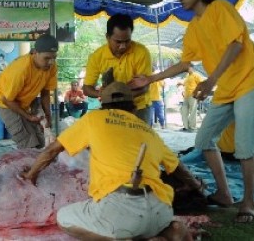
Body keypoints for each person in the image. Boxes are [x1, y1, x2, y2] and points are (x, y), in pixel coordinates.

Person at [129, 0, 254, 222]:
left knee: (244, 146)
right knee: (204, 139)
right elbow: (184, 63)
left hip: (248, 82)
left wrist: (211, 80)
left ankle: (248, 204)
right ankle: (224, 194)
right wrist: (150, 79)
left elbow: (236, 45)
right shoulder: (194, 26)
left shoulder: (220, 8)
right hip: (225, 89)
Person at [21, 82, 200, 240]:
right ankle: (172, 231)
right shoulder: (148, 130)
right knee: (148, 223)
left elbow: (52, 150)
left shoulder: (94, 119)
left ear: (102, 105)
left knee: (64, 219)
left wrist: (31, 174)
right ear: (133, 108)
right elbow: (178, 168)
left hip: (122, 210)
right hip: (161, 210)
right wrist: (197, 187)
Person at [82, 13, 152, 124]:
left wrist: (115, 97)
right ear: (107, 37)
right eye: (118, 42)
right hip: (111, 110)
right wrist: (103, 94)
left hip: (139, 108)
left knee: (141, 141)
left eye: (127, 41)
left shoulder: (141, 52)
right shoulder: (97, 56)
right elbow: (86, 88)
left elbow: (144, 88)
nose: (123, 46)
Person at [0, 34, 58, 149]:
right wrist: (28, 117)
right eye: (47, 58)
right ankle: (29, 165)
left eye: (54, 58)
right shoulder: (21, 70)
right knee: (28, 142)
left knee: (40, 140)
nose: (51, 62)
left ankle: (38, 163)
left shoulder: (51, 66)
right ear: (35, 52)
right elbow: (7, 100)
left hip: (25, 100)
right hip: (5, 102)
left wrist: (48, 116)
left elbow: (45, 92)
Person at [177, 64, 204, 132]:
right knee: (183, 111)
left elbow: (201, 84)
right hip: (186, 96)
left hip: (193, 96)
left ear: (192, 68)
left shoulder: (196, 75)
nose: (187, 69)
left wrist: (198, 93)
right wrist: (181, 84)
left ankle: (192, 127)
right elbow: (187, 84)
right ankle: (186, 127)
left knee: (192, 112)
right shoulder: (187, 76)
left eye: (188, 68)